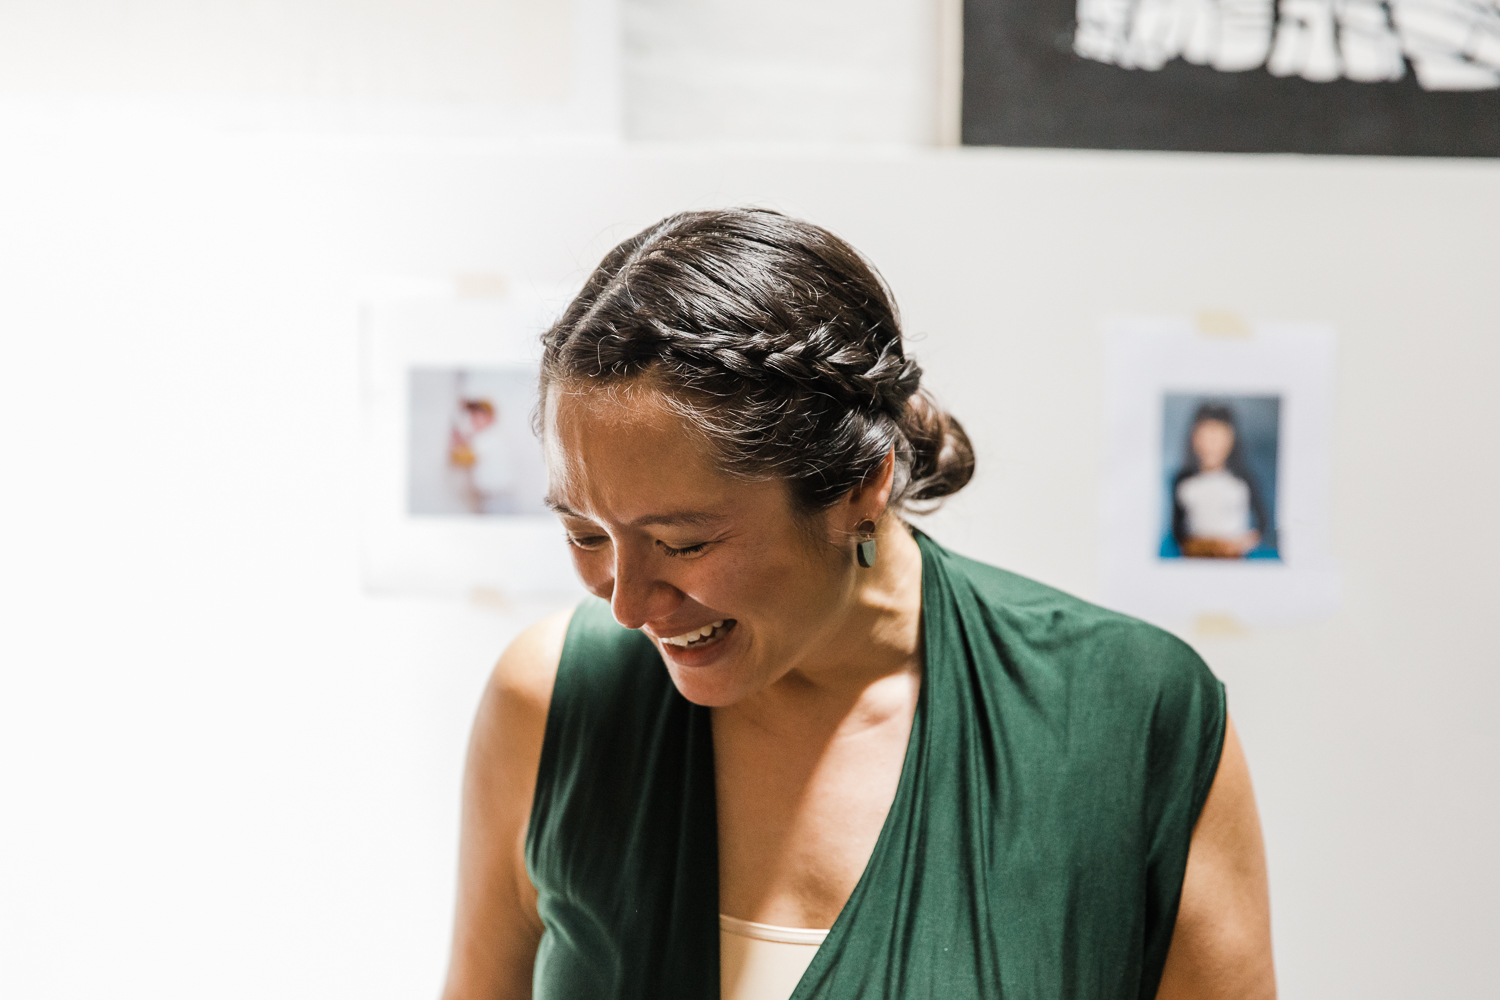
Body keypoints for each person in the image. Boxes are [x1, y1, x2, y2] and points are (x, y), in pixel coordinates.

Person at [441, 209, 1275, 1000]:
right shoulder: (549, 703)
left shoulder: (1128, 715)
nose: (626, 605)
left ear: (856, 489)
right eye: (586, 533)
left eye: (685, 543)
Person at [1170, 402, 1272, 559]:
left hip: (1232, 558)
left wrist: (1240, 545)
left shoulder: (1243, 480)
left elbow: (1262, 524)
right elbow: (1177, 529)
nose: (1211, 444)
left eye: (1218, 436)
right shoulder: (1183, 481)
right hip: (1195, 557)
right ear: (1194, 439)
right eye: (1204, 435)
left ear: (1231, 439)